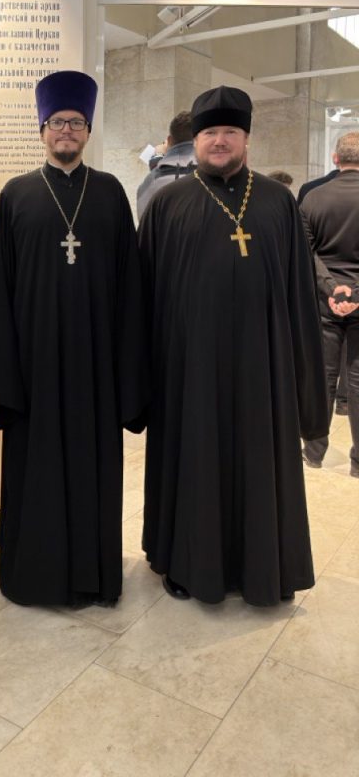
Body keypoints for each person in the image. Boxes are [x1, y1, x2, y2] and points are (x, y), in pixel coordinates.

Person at [138, 86, 329, 606]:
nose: (219, 141)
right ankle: (187, 562)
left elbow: (298, 295)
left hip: (262, 367)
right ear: (195, 140)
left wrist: (305, 382)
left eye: (229, 132)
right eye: (209, 133)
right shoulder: (166, 204)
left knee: (260, 463)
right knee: (194, 462)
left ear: (246, 138)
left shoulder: (277, 202)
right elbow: (144, 300)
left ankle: (265, 566)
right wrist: (145, 380)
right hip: (189, 369)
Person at [0, 70, 148, 607]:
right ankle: (31, 577)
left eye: (76, 123)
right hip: (32, 367)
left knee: (90, 469)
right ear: (42, 129)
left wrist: (127, 372)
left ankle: (94, 576)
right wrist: (4, 377)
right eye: (57, 122)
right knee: (34, 472)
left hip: (95, 366)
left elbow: (130, 287)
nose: (66, 131)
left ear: (88, 131)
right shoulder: (16, 195)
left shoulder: (110, 193)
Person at [300, 132, 359, 477]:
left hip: (324, 302)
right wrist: (354, 293)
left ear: (335, 159)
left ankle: (314, 453)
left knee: (322, 377)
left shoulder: (312, 197)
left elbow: (305, 254)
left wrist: (332, 289)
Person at [136, 111, 196, 220]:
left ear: (169, 140)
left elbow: (145, 222)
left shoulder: (151, 181)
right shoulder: (215, 173)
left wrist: (158, 157)